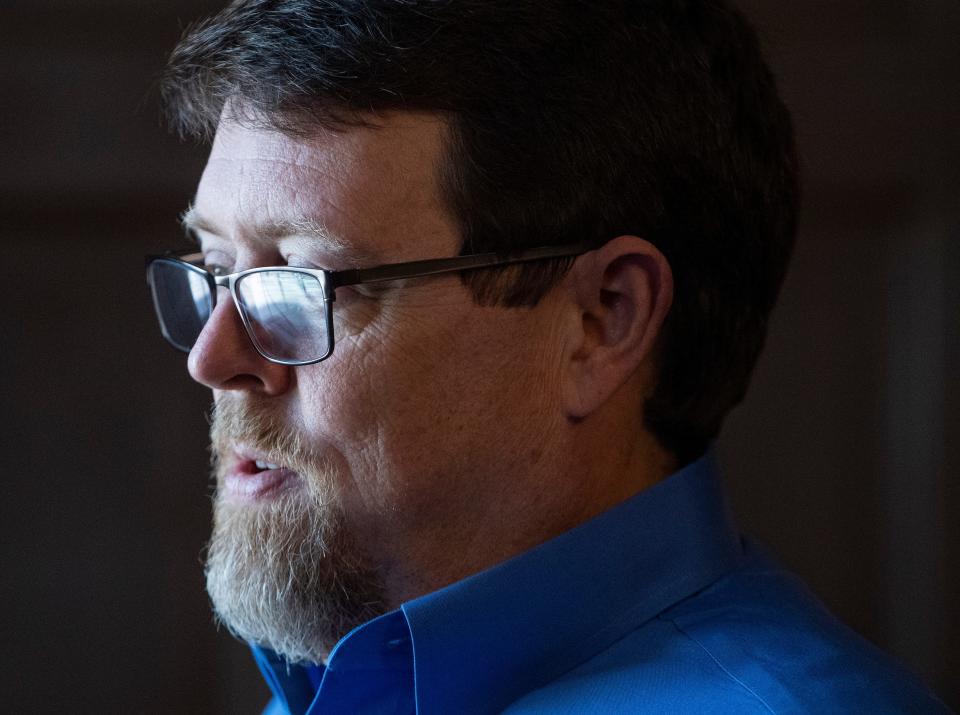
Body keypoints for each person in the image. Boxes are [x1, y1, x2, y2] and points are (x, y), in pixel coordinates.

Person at [146, 1, 950, 712]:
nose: (214, 358)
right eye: (218, 272)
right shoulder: (331, 684)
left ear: (602, 320)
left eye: (302, 283)